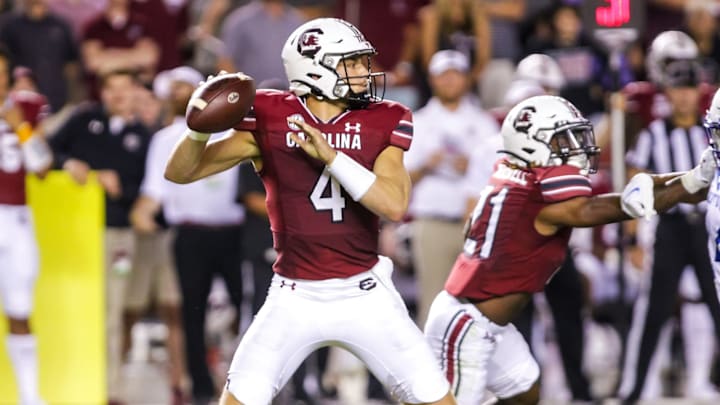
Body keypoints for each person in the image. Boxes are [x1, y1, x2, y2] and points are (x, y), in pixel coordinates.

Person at [165, 17, 456, 405]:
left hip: (365, 291)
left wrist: (333, 158)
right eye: (350, 63)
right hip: (293, 295)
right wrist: (198, 130)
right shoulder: (270, 114)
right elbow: (181, 172)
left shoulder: (384, 117)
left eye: (361, 62)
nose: (363, 72)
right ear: (314, 68)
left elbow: (394, 203)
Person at [421, 94, 716, 404]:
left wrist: (690, 180)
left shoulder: (516, 173)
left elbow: (612, 198)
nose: (574, 147)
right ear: (532, 143)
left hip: (489, 323)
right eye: (563, 139)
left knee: (524, 391)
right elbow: (594, 210)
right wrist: (683, 189)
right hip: (466, 325)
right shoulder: (535, 198)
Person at [130, 65, 246, 405]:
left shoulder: (233, 130)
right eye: (175, 88)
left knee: (247, 308)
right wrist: (141, 216)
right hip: (190, 236)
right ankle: (199, 387)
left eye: (187, 86)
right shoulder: (165, 139)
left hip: (235, 235)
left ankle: (245, 384)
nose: (181, 93)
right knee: (191, 314)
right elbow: (153, 192)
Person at [48, 69, 151, 405]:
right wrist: (71, 164)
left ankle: (109, 387)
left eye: (126, 89)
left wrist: (122, 190)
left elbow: (147, 191)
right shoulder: (84, 120)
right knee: (72, 305)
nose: (119, 96)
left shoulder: (143, 136)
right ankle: (68, 376)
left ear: (135, 93)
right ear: (103, 93)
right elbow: (45, 151)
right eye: (112, 89)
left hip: (119, 237)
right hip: (77, 234)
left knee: (113, 307)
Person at [405, 49, 499, 326]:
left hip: (476, 224)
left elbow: (500, 174)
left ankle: (474, 368)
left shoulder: (483, 123)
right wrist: (426, 164)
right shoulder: (417, 121)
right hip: (432, 221)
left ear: (466, 79)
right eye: (443, 75)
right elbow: (402, 178)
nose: (449, 81)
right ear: (433, 80)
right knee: (433, 301)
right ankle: (431, 369)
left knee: (478, 305)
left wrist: (471, 165)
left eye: (455, 74)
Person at [0, 48, 53, 405]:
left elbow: (42, 167)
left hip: (15, 219)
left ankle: (29, 397)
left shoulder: (25, 108)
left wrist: (20, 126)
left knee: (19, 310)